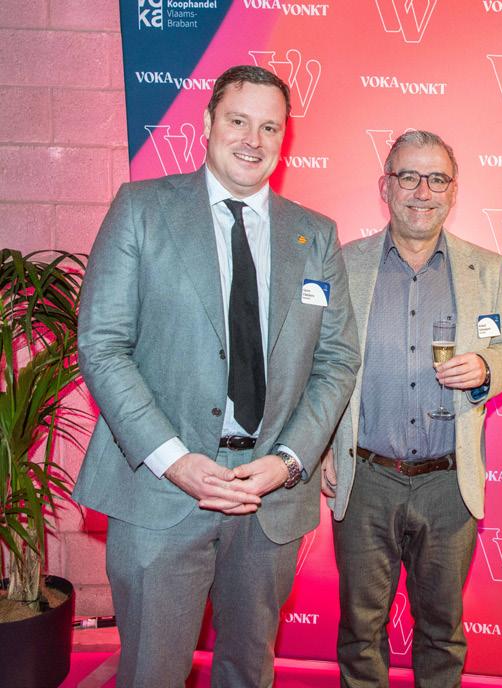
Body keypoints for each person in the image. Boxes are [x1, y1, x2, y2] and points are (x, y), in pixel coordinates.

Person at [73, 65, 361, 686]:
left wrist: (289, 461)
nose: (252, 140)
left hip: (269, 498)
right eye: (238, 121)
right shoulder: (142, 209)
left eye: (269, 127)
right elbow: (102, 345)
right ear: (207, 122)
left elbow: (337, 360)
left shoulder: (315, 235)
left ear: (284, 138)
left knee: (248, 671)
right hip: (160, 493)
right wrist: (174, 459)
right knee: (151, 672)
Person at [321, 130, 502, 687]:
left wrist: (486, 367)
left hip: (448, 484)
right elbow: (319, 362)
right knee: (360, 631)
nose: (422, 191)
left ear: (453, 191)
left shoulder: (487, 269)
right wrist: (325, 446)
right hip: (366, 479)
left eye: (436, 179)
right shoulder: (345, 265)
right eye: (408, 176)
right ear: (385, 186)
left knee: (441, 630)